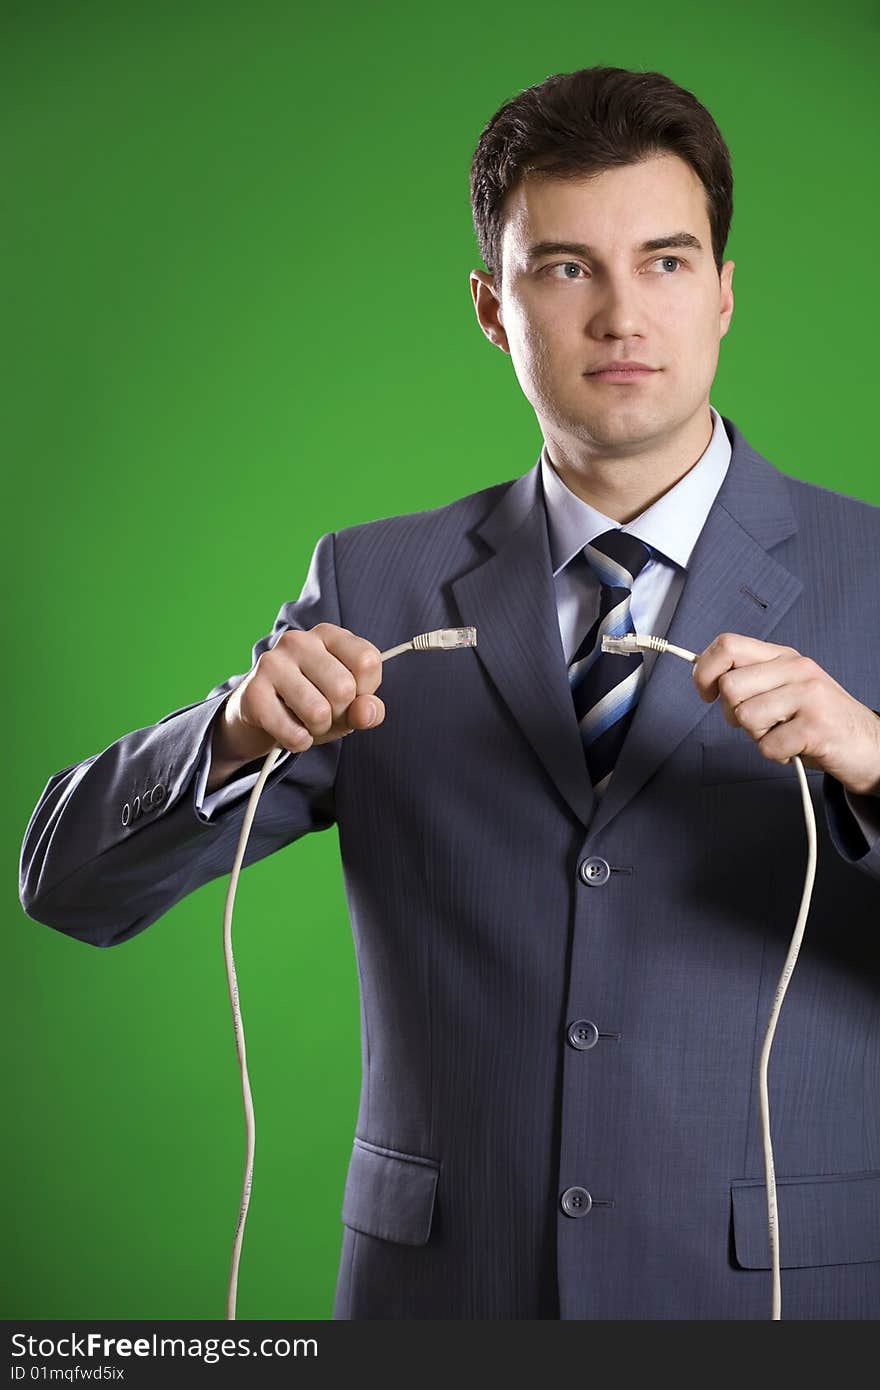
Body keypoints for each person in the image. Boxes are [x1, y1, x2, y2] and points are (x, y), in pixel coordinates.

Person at [19, 65, 880, 1320]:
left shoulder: (871, 571)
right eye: (565, 267)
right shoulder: (374, 578)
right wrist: (232, 729)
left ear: (725, 293)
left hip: (779, 1298)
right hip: (445, 1297)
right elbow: (67, 883)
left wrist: (873, 761)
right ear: (492, 307)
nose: (621, 315)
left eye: (666, 261)